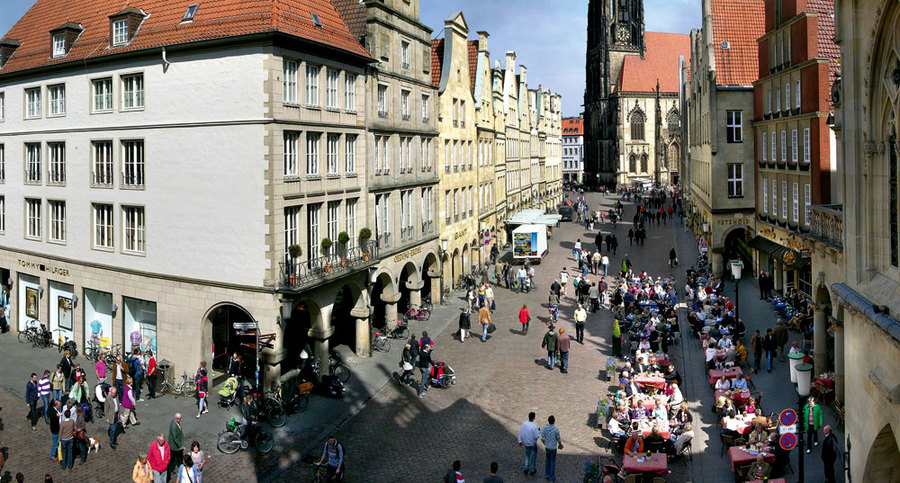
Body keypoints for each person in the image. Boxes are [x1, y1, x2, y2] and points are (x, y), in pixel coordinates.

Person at [540, 415, 562, 483]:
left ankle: (547, 474)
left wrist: (545, 443)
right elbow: (558, 438)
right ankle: (551, 478)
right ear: (554, 421)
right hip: (553, 448)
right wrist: (560, 444)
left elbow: (542, 438)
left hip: (547, 447)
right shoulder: (556, 429)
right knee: (552, 462)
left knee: (547, 460)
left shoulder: (544, 428)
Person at [168, 414, 185, 481]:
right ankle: (170, 469)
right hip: (174, 446)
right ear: (177, 419)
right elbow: (175, 437)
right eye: (180, 419)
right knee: (174, 457)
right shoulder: (174, 426)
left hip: (175, 446)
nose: (181, 420)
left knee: (178, 457)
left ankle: (179, 466)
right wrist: (180, 445)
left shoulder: (174, 422)